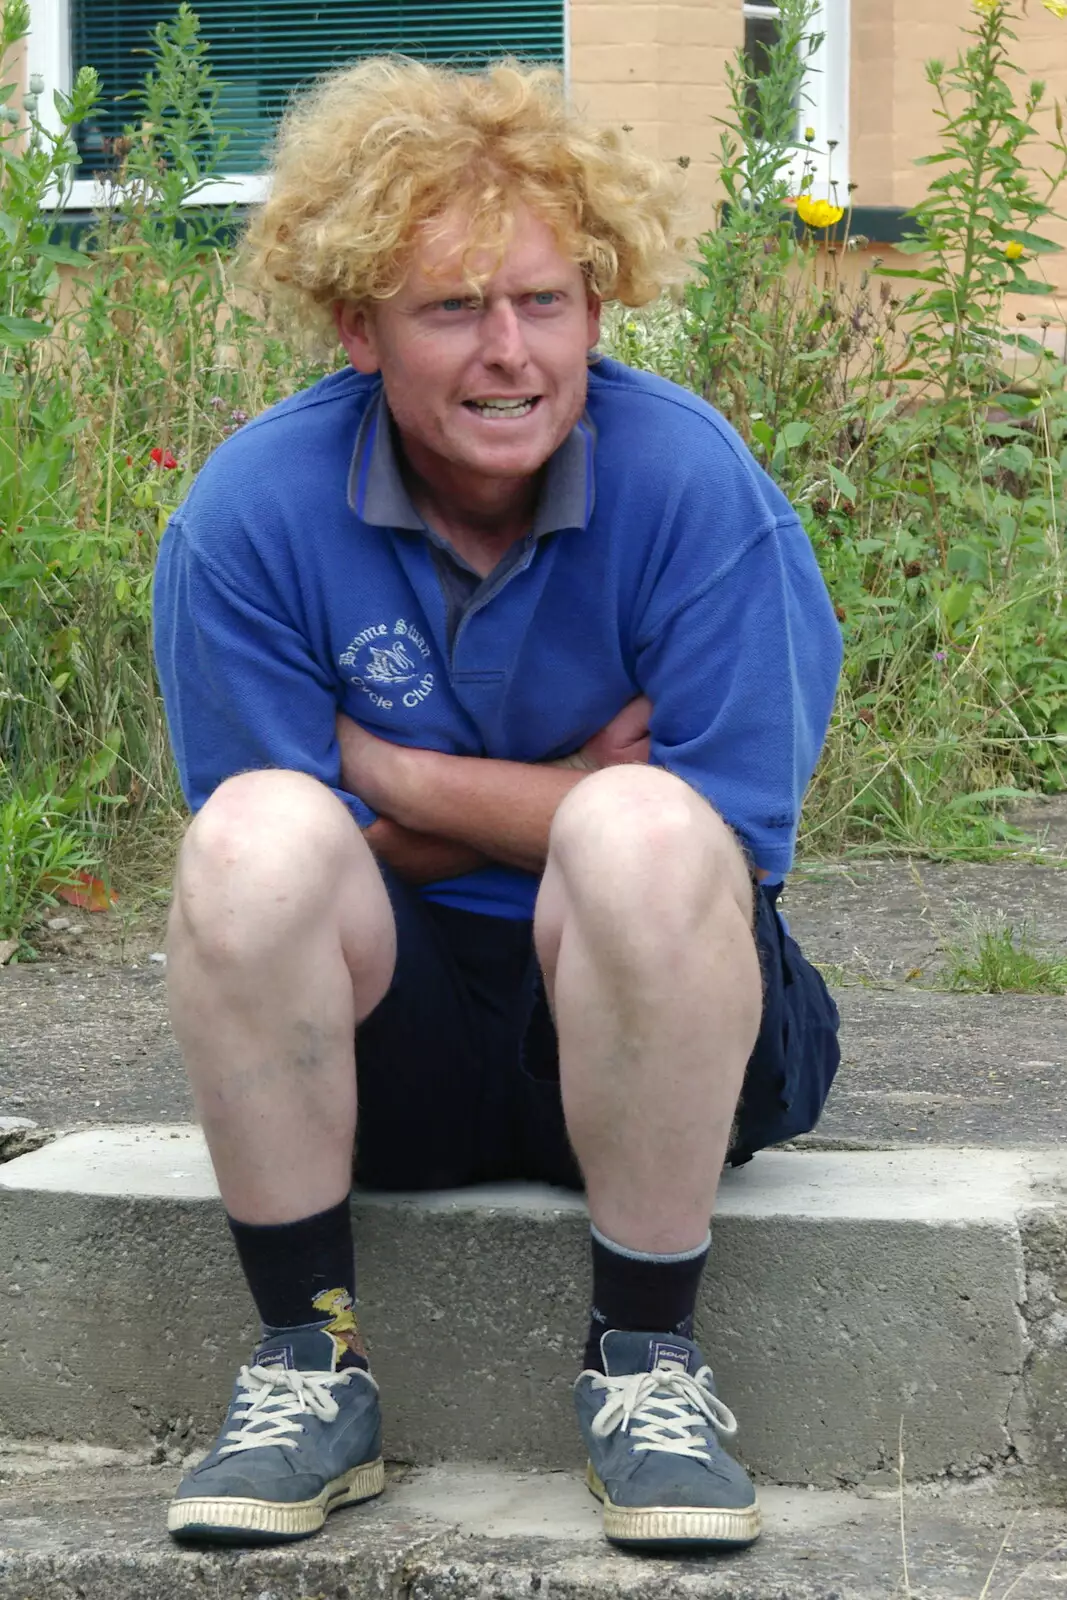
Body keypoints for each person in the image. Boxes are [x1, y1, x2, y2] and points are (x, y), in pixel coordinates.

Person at [153, 55, 842, 1555]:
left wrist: (394, 778)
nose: (507, 352)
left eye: (542, 302)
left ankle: (647, 1363)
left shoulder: (695, 486)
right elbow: (274, 860)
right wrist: (571, 788)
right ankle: (306, 1362)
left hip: (659, 1032)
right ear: (357, 328)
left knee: (645, 835)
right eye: (450, 308)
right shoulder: (251, 514)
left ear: (598, 310)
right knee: (257, 838)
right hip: (390, 1042)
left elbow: (725, 842)